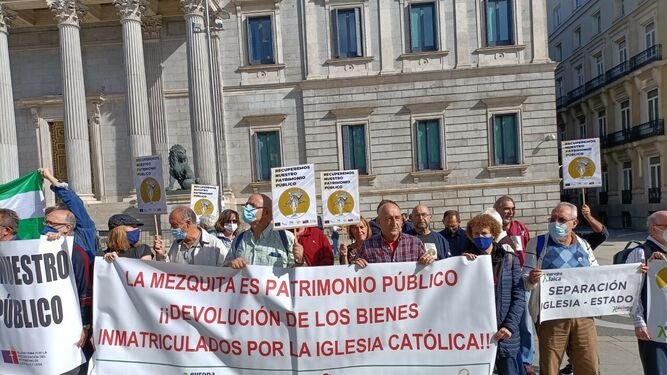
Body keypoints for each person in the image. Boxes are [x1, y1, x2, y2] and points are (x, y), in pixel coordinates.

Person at [524, 202, 599, 375]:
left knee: (588, 363)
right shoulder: (537, 244)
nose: (555, 223)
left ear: (574, 223)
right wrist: (530, 278)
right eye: (552, 219)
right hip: (551, 316)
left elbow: (597, 274)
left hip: (582, 315)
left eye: (562, 219)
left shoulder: (584, 245)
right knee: (550, 365)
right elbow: (525, 276)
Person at [39, 168, 96, 372]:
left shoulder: (84, 237)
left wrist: (51, 178)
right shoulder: (42, 241)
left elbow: (75, 203)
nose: (46, 228)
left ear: (67, 228)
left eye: (51, 224)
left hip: (78, 315)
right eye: (45, 223)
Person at [463, 214, 525, 375]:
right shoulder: (464, 261)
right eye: (476, 234)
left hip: (504, 333)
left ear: (493, 233)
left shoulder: (509, 259)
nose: (480, 237)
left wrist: (509, 326)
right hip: (476, 334)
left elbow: (518, 296)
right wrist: (460, 266)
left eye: (484, 233)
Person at [494, 195, 534, 375]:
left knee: (523, 324)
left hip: (520, 280)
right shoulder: (492, 230)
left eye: (512, 208)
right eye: (505, 208)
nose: (509, 211)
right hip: (502, 287)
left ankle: (526, 360)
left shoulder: (520, 228)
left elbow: (526, 251)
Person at [625, 210, 667, 375]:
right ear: (653, 229)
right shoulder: (641, 253)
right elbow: (631, 292)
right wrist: (639, 322)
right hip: (654, 328)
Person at [226, 194, 304, 268]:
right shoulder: (239, 239)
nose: (247, 209)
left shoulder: (286, 238)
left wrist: (299, 261)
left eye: (252, 206)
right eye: (247, 205)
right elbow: (223, 270)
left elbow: (297, 275)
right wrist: (231, 265)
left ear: (266, 212)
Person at [354, 201, 434, 268]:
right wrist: (357, 265)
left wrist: (428, 262)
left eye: (397, 218)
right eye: (389, 219)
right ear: (378, 222)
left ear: (402, 221)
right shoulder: (367, 246)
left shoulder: (415, 243)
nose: (394, 223)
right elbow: (357, 277)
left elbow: (425, 273)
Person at [153, 206, 228, 266]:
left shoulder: (215, 245)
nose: (172, 229)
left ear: (188, 223)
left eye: (175, 225)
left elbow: (226, 270)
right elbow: (169, 271)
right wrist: (162, 255)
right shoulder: (176, 244)